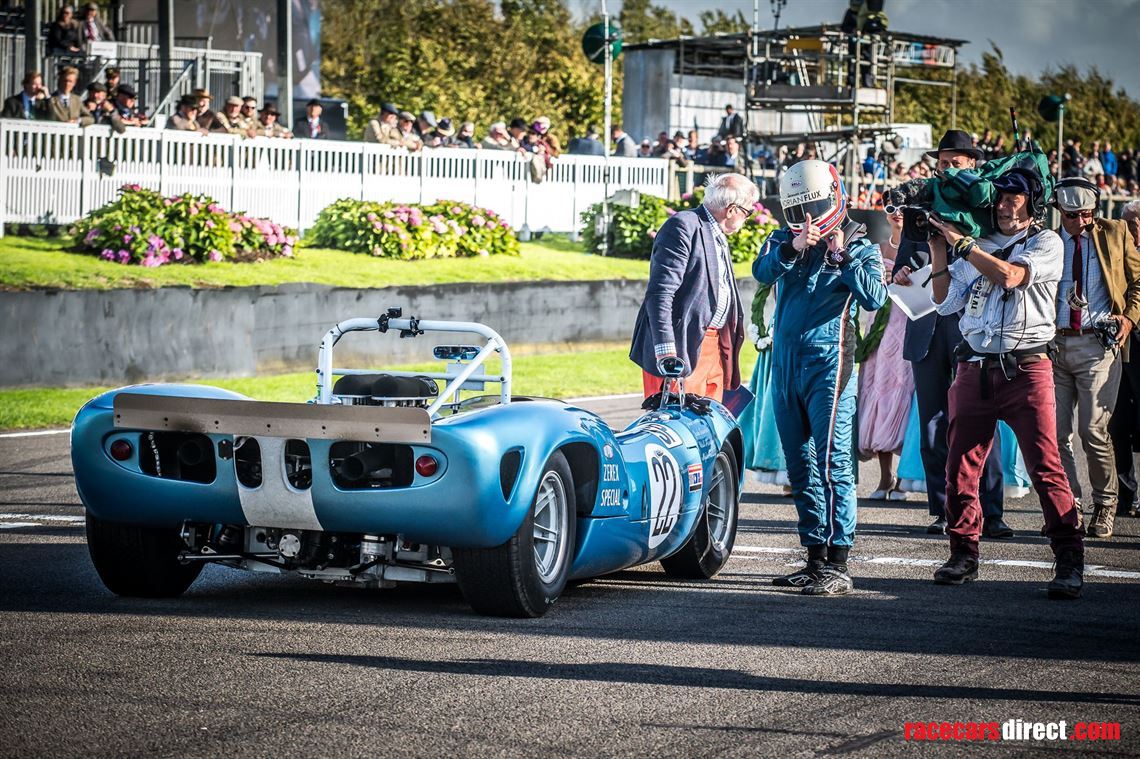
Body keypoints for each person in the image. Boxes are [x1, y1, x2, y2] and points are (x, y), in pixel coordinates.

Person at [927, 169, 1085, 599]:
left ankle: (1069, 557)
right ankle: (963, 553)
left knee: (1044, 465)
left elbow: (1011, 277)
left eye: (1014, 198)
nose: (1003, 204)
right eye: (1000, 197)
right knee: (960, 464)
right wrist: (939, 248)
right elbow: (943, 302)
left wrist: (964, 245)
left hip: (1027, 369)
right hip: (974, 367)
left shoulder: (1046, 242)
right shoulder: (974, 244)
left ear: (1033, 204)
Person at [754, 160, 887, 596]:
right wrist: (792, 247)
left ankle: (839, 561)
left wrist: (842, 256)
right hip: (786, 362)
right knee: (800, 465)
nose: (810, 215)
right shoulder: (783, 238)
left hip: (831, 361)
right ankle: (813, 557)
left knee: (834, 464)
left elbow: (874, 296)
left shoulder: (858, 241)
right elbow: (761, 272)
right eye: (801, 208)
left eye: (816, 204)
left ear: (834, 195)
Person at [891, 130, 1010, 537]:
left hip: (971, 329)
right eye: (943, 163)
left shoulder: (984, 210)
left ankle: (991, 512)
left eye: (956, 163)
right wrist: (902, 271)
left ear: (972, 167)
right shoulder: (921, 206)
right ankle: (944, 510)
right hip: (926, 326)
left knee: (980, 422)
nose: (947, 169)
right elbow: (904, 264)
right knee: (932, 424)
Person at [1051, 177, 1140, 539]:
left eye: (1087, 213)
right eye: (1072, 215)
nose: (1080, 221)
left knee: (1092, 430)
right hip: (1053, 345)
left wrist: (1129, 318)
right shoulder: (1047, 241)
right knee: (1054, 434)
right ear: (1060, 212)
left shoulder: (1116, 232)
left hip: (1098, 346)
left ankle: (1105, 504)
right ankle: (1067, 504)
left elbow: (1139, 280)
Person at [629, 172, 757, 405]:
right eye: (748, 212)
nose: (747, 218)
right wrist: (667, 352)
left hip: (711, 348)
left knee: (711, 431)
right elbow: (660, 293)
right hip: (680, 349)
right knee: (680, 430)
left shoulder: (716, 233)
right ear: (732, 209)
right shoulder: (683, 225)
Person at [1112, 200, 1140, 517]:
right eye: (1126, 223)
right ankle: (1124, 496)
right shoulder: (1116, 257)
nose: (1129, 229)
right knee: (1117, 425)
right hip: (1118, 348)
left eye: (1134, 223)